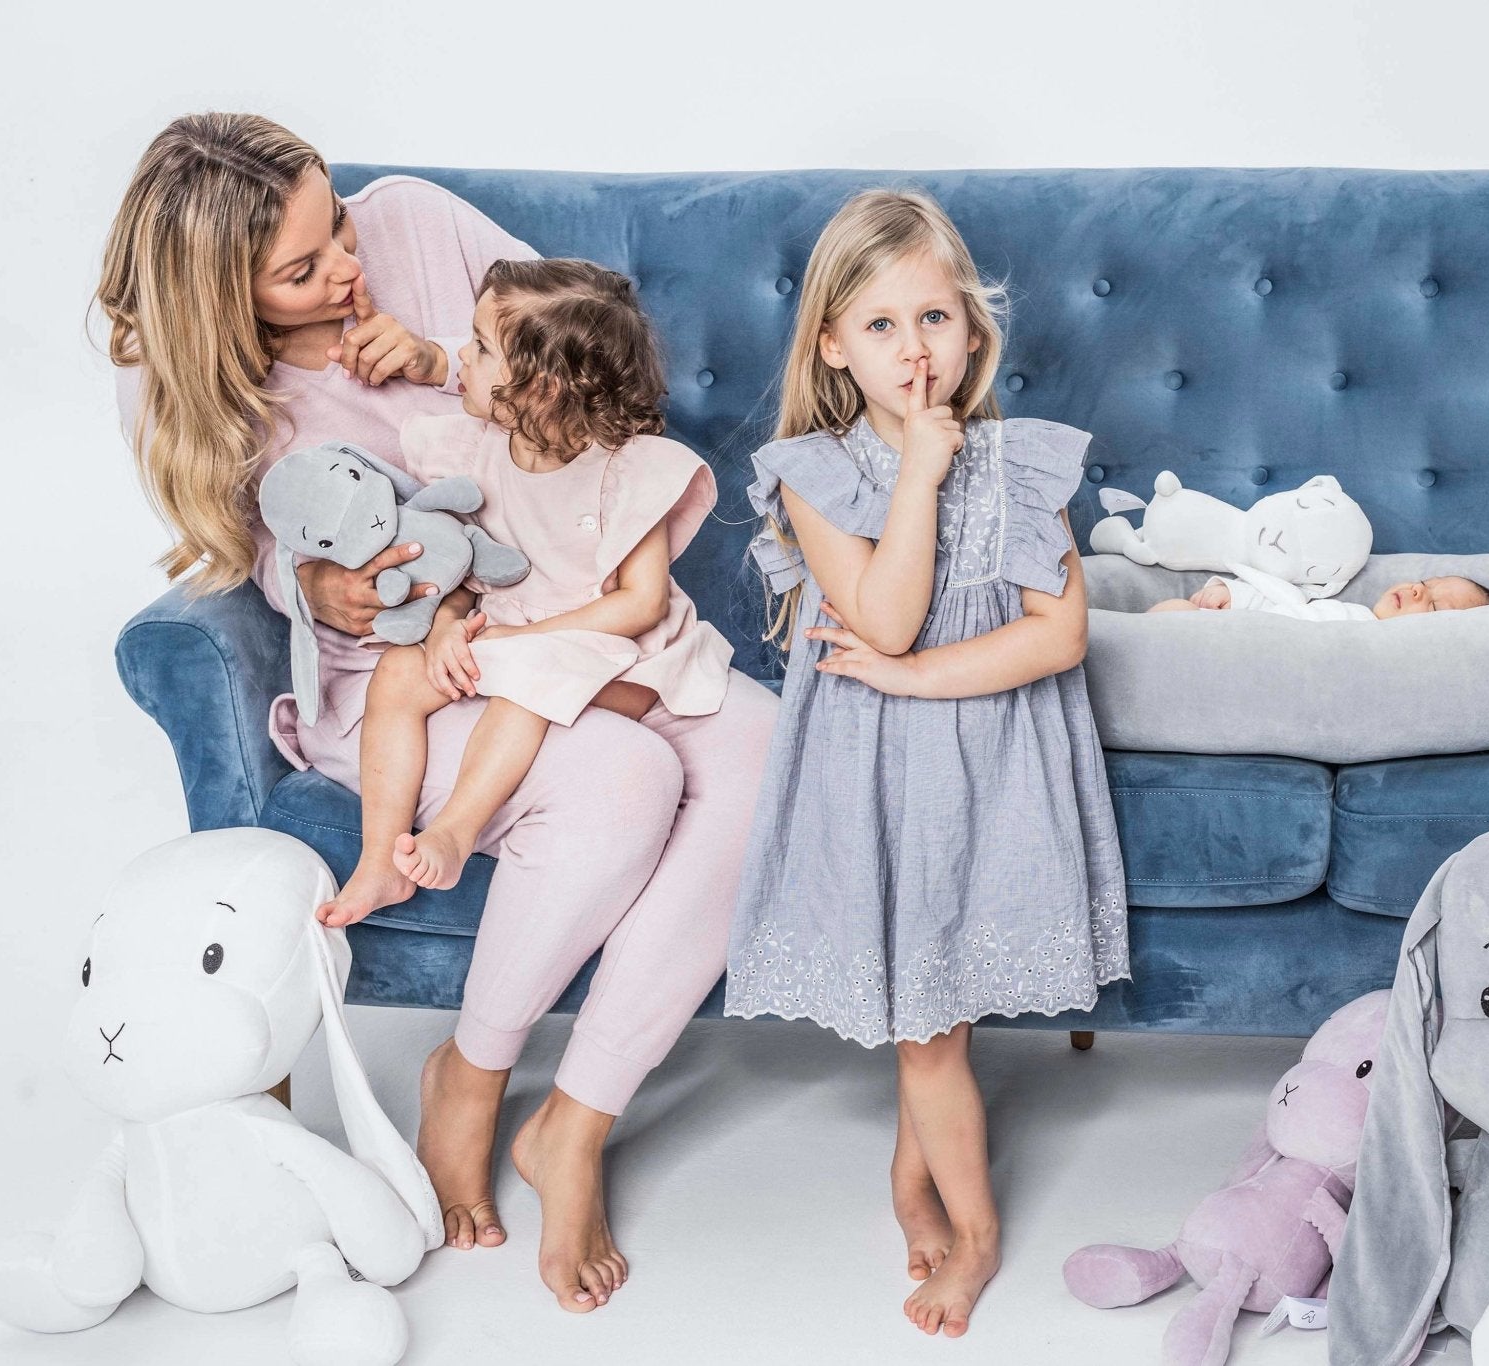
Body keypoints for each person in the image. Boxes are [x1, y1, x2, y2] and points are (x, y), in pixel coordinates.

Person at [99, 113, 775, 1313]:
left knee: (771, 759)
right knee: (617, 776)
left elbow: (581, 374)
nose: (346, 269)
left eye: (337, 229)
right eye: (301, 272)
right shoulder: (189, 379)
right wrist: (311, 583)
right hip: (404, 677)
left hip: (559, 616)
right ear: (221, 302)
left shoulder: (415, 218)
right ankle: (472, 1072)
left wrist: (439, 367)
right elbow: (246, 546)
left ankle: (575, 1117)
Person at [723, 188, 1130, 1338]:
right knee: (923, 1020)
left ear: (972, 329)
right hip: (878, 779)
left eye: (935, 320)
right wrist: (915, 476)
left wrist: (911, 679)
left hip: (990, 763)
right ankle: (958, 1207)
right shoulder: (817, 472)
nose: (915, 350)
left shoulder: (1015, 464)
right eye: (884, 326)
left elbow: (1056, 634)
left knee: (933, 1013)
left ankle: (946, 1204)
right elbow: (888, 615)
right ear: (835, 347)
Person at [317, 258, 735, 920]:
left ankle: (455, 831)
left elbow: (641, 603)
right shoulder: (476, 450)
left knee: (527, 683)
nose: (463, 358)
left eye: (480, 348)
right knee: (398, 674)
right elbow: (460, 561)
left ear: (538, 387)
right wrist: (449, 624)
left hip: (614, 646)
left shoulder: (625, 468)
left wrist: (522, 640)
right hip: (510, 629)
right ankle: (378, 863)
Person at [1147, 573, 1489, 619]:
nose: (1418, 589)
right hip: (1240, 632)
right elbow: (1289, 605)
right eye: (1427, 582)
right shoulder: (1354, 613)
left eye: (1435, 604)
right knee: (1174, 612)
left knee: (1175, 613)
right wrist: (1233, 594)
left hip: (1242, 656)